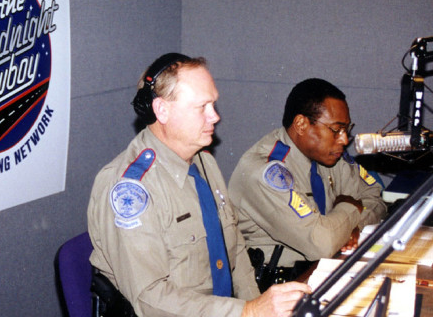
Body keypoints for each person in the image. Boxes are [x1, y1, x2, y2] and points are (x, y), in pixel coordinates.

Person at [87, 53, 310, 317]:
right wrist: (247, 311)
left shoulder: (205, 162)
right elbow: (151, 299)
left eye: (213, 104)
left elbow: (235, 249)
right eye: (202, 107)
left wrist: (256, 306)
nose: (214, 116)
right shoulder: (130, 188)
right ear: (162, 110)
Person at [228, 78, 387, 290]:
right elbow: (322, 243)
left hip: (322, 274)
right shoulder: (266, 172)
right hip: (275, 287)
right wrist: (349, 207)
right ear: (301, 124)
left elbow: (375, 198)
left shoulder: (329, 157)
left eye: (346, 129)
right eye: (336, 129)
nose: (344, 140)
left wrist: (353, 227)